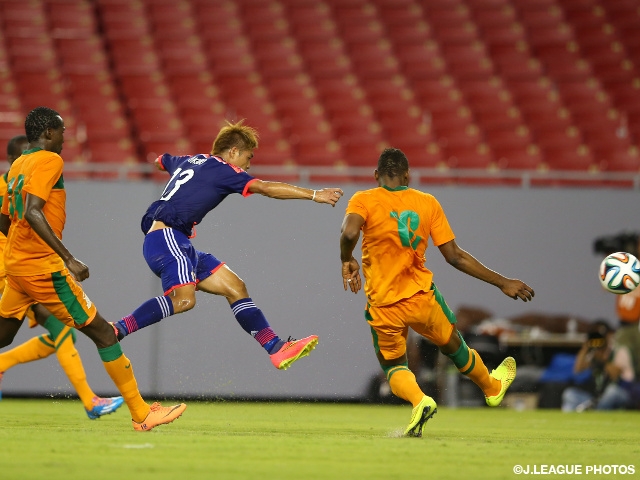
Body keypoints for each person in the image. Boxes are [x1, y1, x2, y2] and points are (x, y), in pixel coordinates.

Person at [0, 107, 186, 431]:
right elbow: (32, 212)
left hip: (16, 266)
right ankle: (142, 414)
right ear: (47, 133)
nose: (63, 140)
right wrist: (68, 259)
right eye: (60, 132)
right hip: (43, 269)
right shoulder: (49, 160)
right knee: (103, 332)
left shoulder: (17, 164)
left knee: (2, 336)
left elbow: (5, 219)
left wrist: (16, 254)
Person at [111, 120, 343, 371]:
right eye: (248, 156)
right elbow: (264, 188)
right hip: (167, 238)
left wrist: (168, 165)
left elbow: (161, 160)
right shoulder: (223, 169)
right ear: (233, 152)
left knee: (235, 286)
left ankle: (275, 348)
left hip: (176, 242)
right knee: (183, 301)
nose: (248, 164)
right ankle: (117, 329)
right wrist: (314, 194)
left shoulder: (190, 160)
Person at [339, 147, 534, 437]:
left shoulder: (363, 199)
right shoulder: (427, 202)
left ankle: (420, 401)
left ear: (376, 176)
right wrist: (502, 281)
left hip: (383, 303)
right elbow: (455, 256)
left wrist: (347, 258)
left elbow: (350, 233)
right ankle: (492, 388)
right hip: (421, 298)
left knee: (393, 366)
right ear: (408, 175)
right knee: (454, 345)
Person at [0, 135, 124, 418]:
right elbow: (11, 224)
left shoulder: (22, 185)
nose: (33, 160)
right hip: (16, 272)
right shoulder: (7, 185)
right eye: (27, 155)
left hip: (20, 269)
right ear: (14, 160)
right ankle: (91, 401)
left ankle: (3, 362)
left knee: (55, 335)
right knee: (64, 331)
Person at [561, 320, 634, 411]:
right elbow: (577, 370)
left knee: (611, 392)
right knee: (569, 393)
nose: (599, 341)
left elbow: (615, 374)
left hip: (623, 391)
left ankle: (592, 409)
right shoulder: (595, 353)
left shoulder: (618, 350)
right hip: (597, 397)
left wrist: (602, 360)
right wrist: (585, 348)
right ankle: (588, 411)